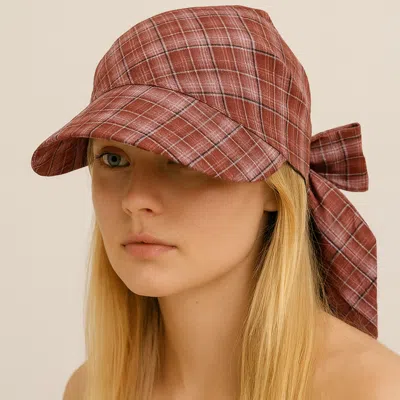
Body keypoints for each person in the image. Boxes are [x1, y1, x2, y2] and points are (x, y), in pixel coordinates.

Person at [31, 5, 400, 400]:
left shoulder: (370, 390)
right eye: (114, 159)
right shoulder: (91, 389)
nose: (135, 200)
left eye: (181, 158)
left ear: (273, 188)